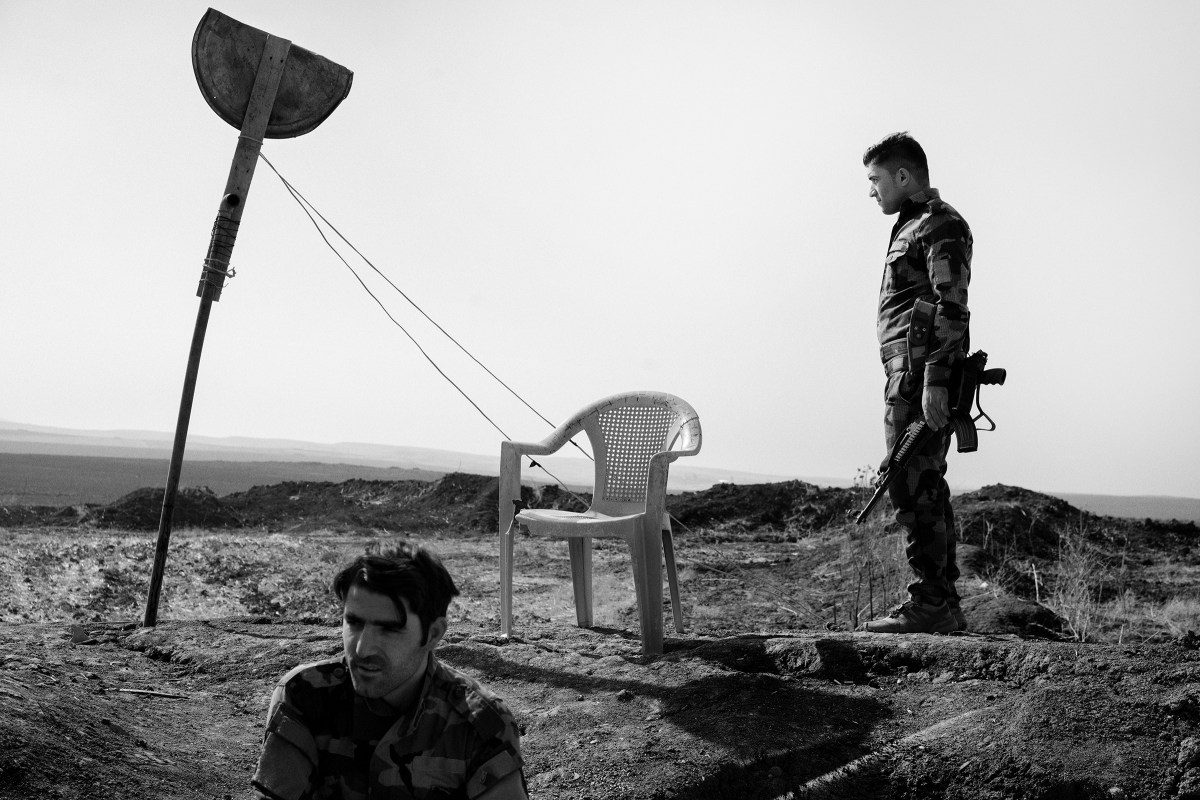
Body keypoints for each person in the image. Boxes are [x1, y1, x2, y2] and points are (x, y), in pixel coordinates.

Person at [251, 543, 528, 799]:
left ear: (433, 634)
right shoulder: (305, 695)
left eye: (389, 629)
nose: (362, 649)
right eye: (354, 622)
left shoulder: (480, 724)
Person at [860, 132, 971, 634]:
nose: (872, 191)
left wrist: (936, 383)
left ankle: (931, 604)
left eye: (876, 180)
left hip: (921, 374)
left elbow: (952, 307)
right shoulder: (913, 225)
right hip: (908, 373)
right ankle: (941, 601)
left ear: (903, 177)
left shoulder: (939, 224)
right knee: (922, 483)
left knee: (913, 484)